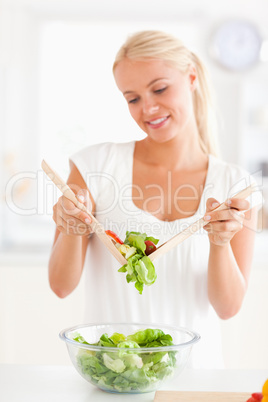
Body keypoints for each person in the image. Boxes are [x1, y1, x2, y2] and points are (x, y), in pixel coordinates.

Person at [49, 30, 261, 368]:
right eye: (132, 98)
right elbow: (61, 286)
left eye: (159, 89)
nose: (147, 108)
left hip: (196, 378)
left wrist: (220, 243)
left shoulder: (235, 184)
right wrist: (72, 227)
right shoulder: (93, 167)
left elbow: (228, 307)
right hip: (112, 373)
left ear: (191, 76)